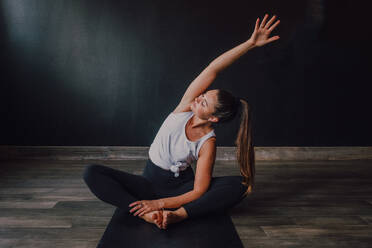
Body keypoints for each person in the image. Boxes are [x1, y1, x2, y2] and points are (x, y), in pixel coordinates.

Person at [83, 14, 280, 229]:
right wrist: (250, 44)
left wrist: (163, 204)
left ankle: (179, 215)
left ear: (213, 118)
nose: (198, 98)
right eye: (203, 95)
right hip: (148, 182)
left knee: (241, 185)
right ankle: (145, 215)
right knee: (91, 172)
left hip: (180, 189)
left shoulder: (208, 143)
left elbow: (198, 191)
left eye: (204, 103)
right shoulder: (185, 108)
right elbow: (213, 69)